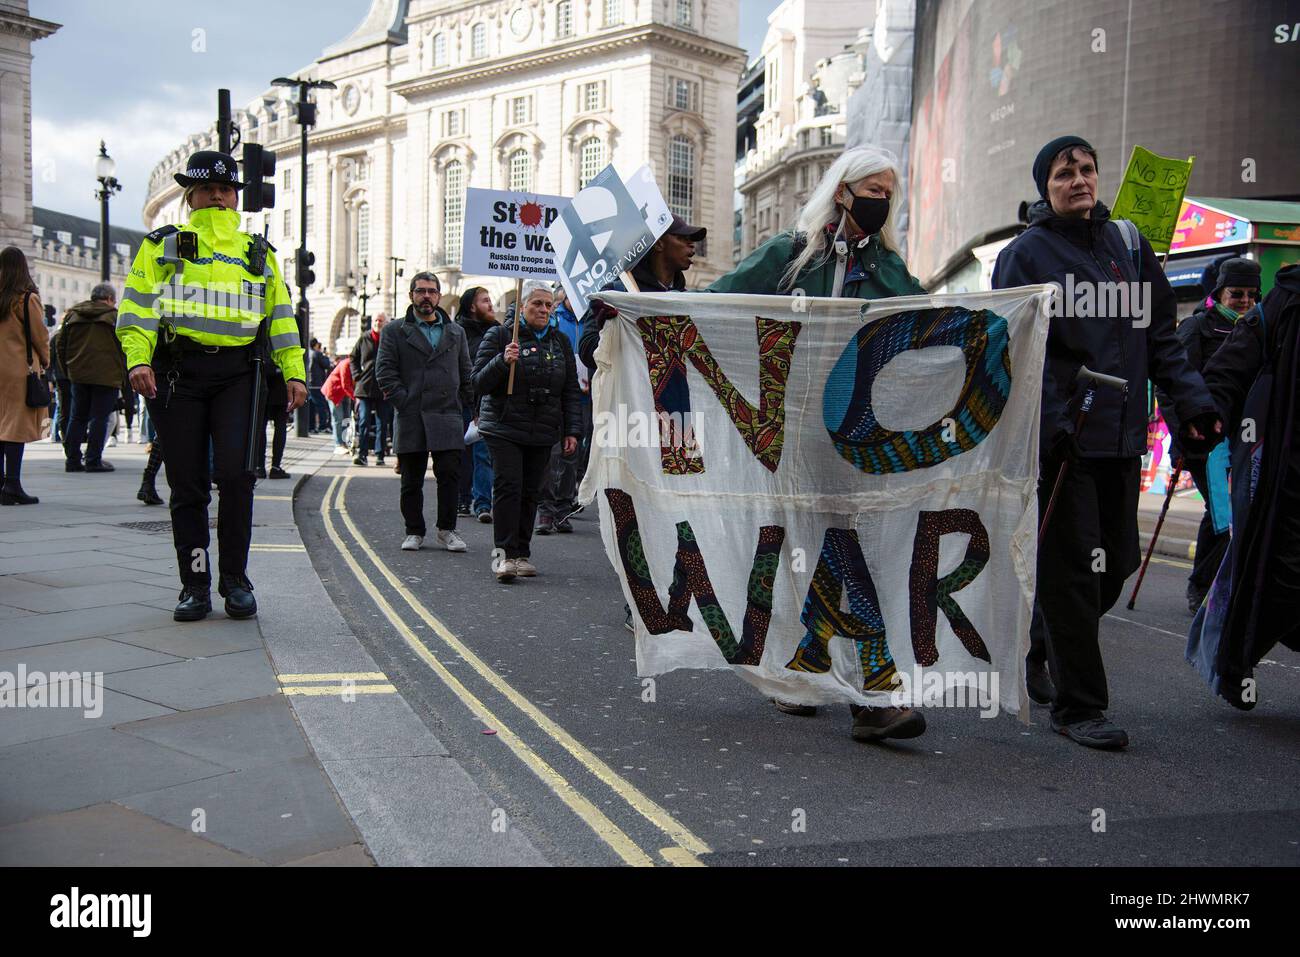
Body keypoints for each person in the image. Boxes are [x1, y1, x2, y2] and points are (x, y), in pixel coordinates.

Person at [992, 135, 1221, 750]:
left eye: (1087, 169)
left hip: (1122, 441)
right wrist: (1052, 419)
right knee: (1072, 576)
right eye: (1064, 173)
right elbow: (1011, 350)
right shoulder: (1025, 256)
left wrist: (1192, 402)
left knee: (1113, 568)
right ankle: (1079, 708)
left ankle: (1042, 642)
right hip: (1064, 445)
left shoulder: (1128, 244)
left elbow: (1162, 336)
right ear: (1046, 186)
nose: (1079, 180)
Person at [710, 144, 930, 744]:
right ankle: (800, 676)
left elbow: (929, 331)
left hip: (861, 438)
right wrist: (636, 310)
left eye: (890, 192)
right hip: (795, 435)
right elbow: (717, 302)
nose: (882, 201)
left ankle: (868, 695)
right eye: (873, 190)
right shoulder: (789, 255)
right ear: (843, 191)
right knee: (800, 553)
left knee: (851, 553)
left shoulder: (888, 270)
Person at [116, 149, 307, 622]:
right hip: (178, 376)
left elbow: (281, 317)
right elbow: (137, 309)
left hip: (239, 378)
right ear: (191, 197)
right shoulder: (164, 244)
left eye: (226, 190)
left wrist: (295, 370)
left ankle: (236, 580)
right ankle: (195, 584)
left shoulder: (257, 253)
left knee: (239, 479)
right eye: (208, 190)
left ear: (236, 199)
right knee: (188, 486)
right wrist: (138, 359)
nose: (218, 198)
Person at [1194, 263, 1300, 709]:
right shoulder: (1285, 301)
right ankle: (1236, 661)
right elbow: (1231, 366)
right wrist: (1205, 416)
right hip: (1286, 474)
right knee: (1284, 576)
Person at [473, 280, 581, 582]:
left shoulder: (560, 342)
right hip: (504, 426)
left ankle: (522, 554)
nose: (544, 310)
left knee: (532, 491)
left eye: (548, 304)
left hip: (543, 429)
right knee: (509, 487)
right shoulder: (499, 335)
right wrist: (501, 361)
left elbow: (570, 390)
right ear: (522, 306)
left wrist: (572, 430)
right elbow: (478, 382)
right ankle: (503, 556)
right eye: (537, 303)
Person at [1169, 257, 1261, 612]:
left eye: (1251, 295)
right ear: (1219, 293)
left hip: (1247, 437)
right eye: (1236, 294)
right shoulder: (1197, 328)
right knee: (1224, 510)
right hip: (1206, 440)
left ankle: (1222, 584)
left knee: (1238, 510)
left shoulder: (1259, 328)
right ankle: (1203, 587)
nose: (1244, 301)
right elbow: (1173, 384)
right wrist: (1184, 430)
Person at [376, 272, 472, 553]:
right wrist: (404, 401)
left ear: (439, 296)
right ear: (411, 296)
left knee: (449, 477)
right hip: (412, 413)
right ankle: (414, 530)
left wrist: (472, 407)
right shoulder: (394, 331)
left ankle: (447, 530)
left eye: (431, 291)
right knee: (411, 480)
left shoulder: (456, 332)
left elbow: (466, 373)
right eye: (421, 291)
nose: (426, 296)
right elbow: (385, 372)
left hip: (447, 414)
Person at [536, 285, 591, 534]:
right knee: (551, 455)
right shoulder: (555, 320)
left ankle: (563, 508)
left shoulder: (592, 320)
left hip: (583, 399)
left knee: (573, 454)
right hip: (553, 399)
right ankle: (546, 510)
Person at [58, 283, 126, 473]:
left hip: (78, 373)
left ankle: (72, 460)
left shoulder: (73, 314)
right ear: (110, 299)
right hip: (107, 375)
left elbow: (60, 345)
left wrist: (68, 369)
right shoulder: (114, 317)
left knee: (77, 416)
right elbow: (124, 347)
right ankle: (93, 459)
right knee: (99, 417)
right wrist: (123, 373)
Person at [0, 246, 49, 505]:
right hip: (18, 370)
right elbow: (39, 334)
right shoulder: (25, 297)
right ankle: (13, 485)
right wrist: (46, 358)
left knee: (0, 426)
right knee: (14, 429)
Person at [454, 285, 497, 522]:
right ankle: (463, 498)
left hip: (486, 402)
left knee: (483, 453)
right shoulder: (457, 331)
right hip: (461, 401)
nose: (491, 305)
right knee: (462, 452)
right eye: (485, 300)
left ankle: (482, 504)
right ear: (472, 307)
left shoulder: (498, 331)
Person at [350, 312, 388, 467]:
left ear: (385, 323)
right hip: (365, 386)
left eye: (381, 320)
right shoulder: (364, 337)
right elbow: (353, 357)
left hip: (383, 387)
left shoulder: (388, 338)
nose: (378, 323)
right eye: (377, 320)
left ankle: (380, 454)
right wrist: (357, 375)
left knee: (382, 422)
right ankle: (362, 454)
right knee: (364, 421)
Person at [256, 363, 291, 480]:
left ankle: (259, 467)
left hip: (262, 387)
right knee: (280, 427)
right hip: (281, 388)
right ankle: (275, 467)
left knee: (261, 427)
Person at [323, 352, 354, 454]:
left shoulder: (352, 364)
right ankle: (338, 444)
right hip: (335, 392)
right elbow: (345, 384)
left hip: (345, 393)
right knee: (338, 418)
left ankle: (344, 442)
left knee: (346, 418)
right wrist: (355, 397)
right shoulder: (346, 364)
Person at [307, 337, 332, 433]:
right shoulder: (317, 354)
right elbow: (326, 364)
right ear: (316, 345)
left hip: (310, 383)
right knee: (322, 405)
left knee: (312, 406)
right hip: (317, 384)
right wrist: (325, 355)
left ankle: (311, 427)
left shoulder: (308, 354)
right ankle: (323, 426)